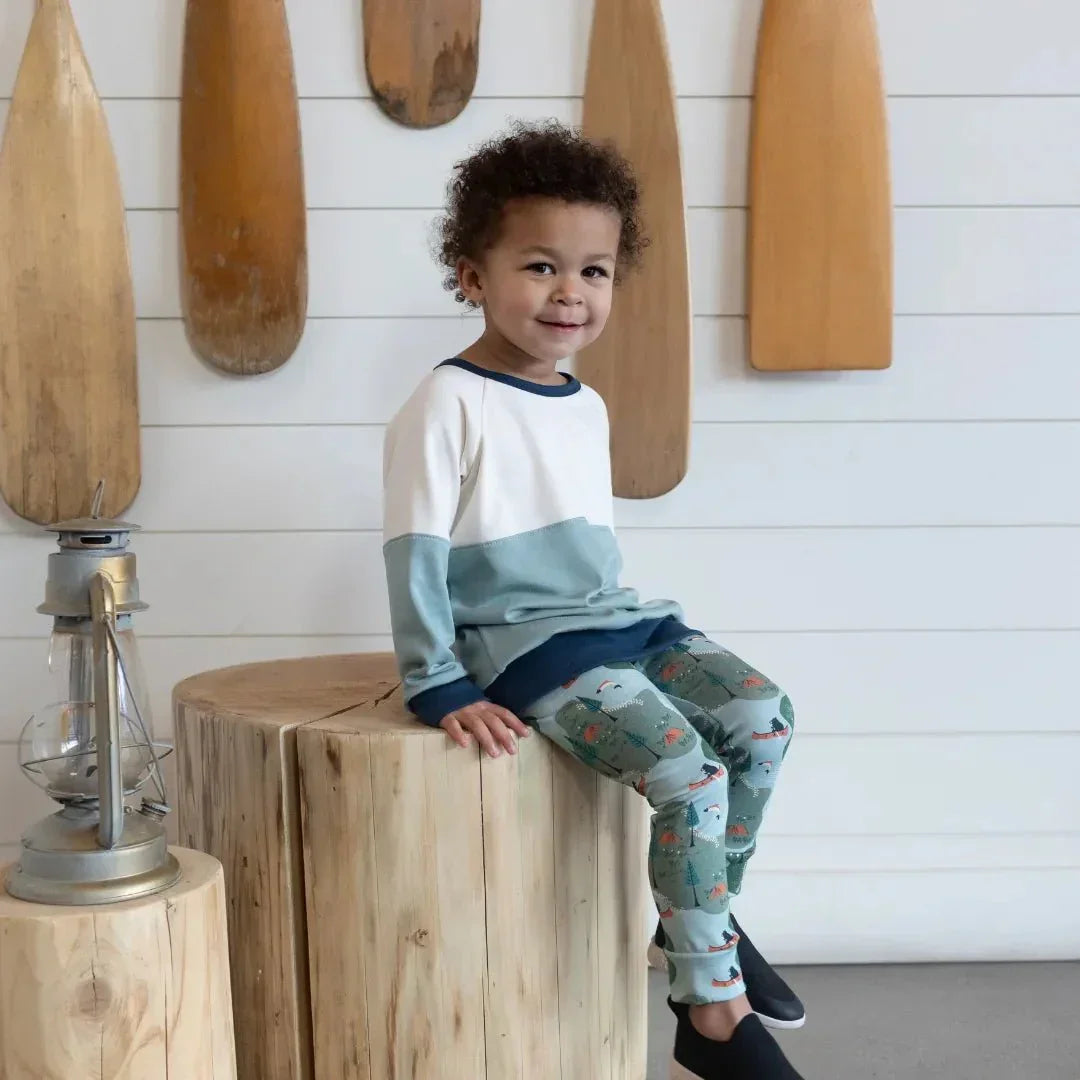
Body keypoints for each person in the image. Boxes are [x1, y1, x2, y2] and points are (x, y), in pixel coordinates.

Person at [382, 121, 806, 1080]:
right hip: (523, 646)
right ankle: (711, 1013)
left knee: (764, 716)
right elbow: (413, 554)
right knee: (688, 770)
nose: (570, 292)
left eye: (595, 271)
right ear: (472, 275)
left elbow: (586, 554)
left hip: (613, 620)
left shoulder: (585, 403)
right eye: (540, 266)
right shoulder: (448, 402)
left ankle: (700, 924)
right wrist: (436, 683)